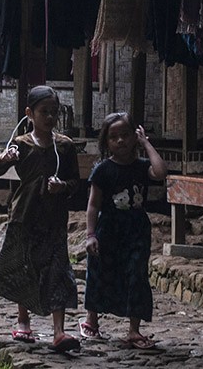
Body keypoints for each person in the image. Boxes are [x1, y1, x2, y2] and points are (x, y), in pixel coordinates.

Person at [0, 86, 81, 353]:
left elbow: (76, 182)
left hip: (54, 217)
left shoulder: (64, 145)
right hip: (24, 215)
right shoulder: (20, 143)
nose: (49, 118)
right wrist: (6, 158)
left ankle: (59, 332)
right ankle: (23, 319)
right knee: (25, 267)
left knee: (58, 271)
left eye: (54, 113)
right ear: (30, 113)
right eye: (44, 112)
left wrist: (61, 186)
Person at [80, 112, 168, 349]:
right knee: (99, 272)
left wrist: (146, 143)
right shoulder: (102, 170)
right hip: (108, 228)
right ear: (106, 142)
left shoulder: (141, 167)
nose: (120, 141)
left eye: (126, 135)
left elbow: (160, 173)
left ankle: (134, 329)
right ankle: (91, 319)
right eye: (114, 137)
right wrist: (90, 235)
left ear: (134, 137)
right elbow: (93, 205)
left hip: (136, 229)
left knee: (136, 274)